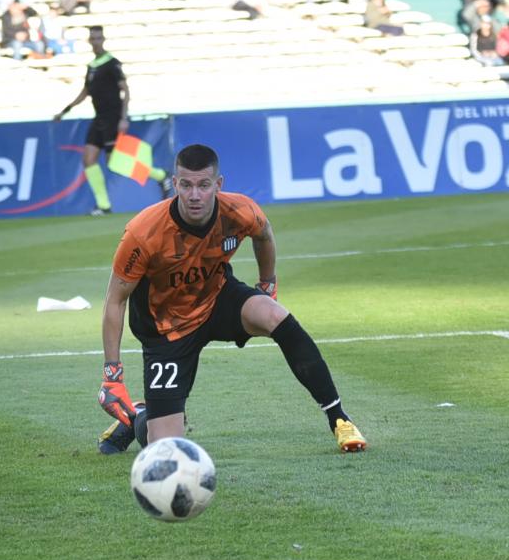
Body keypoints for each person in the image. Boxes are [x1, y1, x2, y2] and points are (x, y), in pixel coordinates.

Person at [94, 143, 368, 455]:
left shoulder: (240, 211)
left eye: (203, 185)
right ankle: (137, 416)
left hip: (217, 300)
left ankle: (339, 419)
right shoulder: (143, 233)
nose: (194, 195)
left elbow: (264, 235)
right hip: (166, 331)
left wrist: (267, 285)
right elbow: (115, 300)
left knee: (274, 315)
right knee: (167, 448)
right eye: (186, 185)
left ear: (218, 185)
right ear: (174, 184)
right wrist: (112, 375)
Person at [52, 26, 173, 215]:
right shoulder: (92, 66)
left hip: (112, 117)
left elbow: (125, 90)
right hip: (99, 118)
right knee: (88, 159)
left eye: (99, 38)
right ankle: (103, 205)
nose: (96, 41)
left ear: (103, 39)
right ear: (90, 41)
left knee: (113, 161)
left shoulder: (112, 63)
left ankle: (159, 175)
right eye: (93, 38)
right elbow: (85, 92)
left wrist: (123, 118)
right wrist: (65, 111)